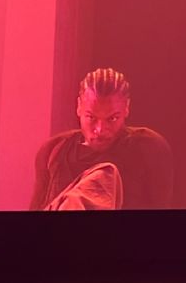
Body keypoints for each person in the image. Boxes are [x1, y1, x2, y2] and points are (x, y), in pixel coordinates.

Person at [29, 67, 173, 210]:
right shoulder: (53, 151)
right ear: (79, 106)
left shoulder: (148, 148)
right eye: (91, 117)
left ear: (126, 108)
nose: (100, 129)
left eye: (112, 118)